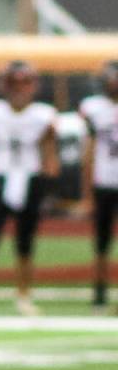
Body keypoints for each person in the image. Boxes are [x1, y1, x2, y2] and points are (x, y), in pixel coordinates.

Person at [0, 62, 58, 317]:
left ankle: (23, 296)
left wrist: (51, 176)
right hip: (2, 176)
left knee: (25, 243)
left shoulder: (43, 114)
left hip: (30, 177)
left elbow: (49, 151)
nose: (19, 89)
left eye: (24, 83)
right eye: (14, 84)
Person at [79, 60, 118, 310]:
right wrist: (87, 192)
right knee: (101, 241)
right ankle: (99, 288)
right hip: (104, 180)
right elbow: (90, 150)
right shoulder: (94, 108)